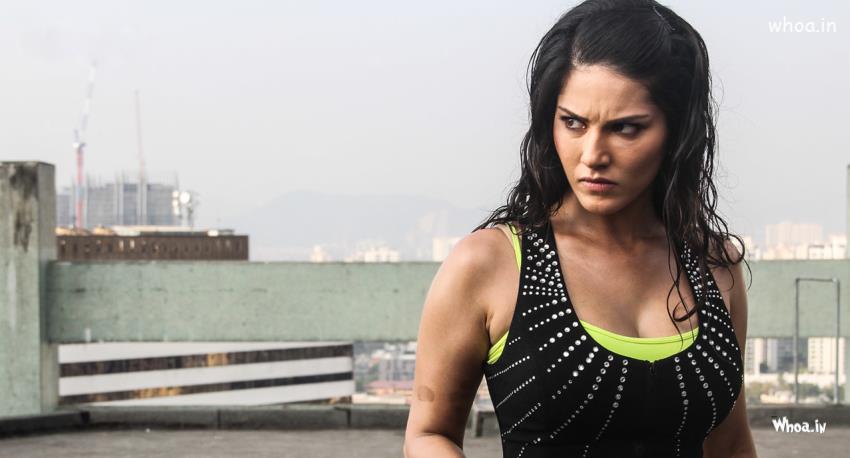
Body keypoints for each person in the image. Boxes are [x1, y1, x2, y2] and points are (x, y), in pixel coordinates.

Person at [404, 0, 758, 457]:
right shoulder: (490, 264)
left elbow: (730, 445)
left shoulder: (715, 266)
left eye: (625, 129)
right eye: (573, 122)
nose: (592, 155)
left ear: (677, 132)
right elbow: (428, 434)